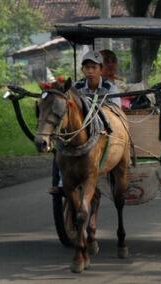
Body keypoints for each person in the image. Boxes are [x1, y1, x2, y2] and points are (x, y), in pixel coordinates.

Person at [49, 50, 120, 195]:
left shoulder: (110, 87)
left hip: (103, 130)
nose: (90, 71)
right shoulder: (76, 87)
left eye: (94, 68)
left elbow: (115, 112)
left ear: (101, 69)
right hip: (80, 129)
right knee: (61, 146)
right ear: (83, 70)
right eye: (87, 68)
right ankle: (63, 181)